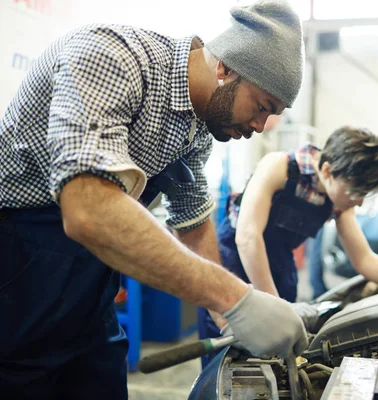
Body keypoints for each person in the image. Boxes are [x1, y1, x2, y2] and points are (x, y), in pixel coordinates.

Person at [0, 1, 308, 398]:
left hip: (89, 296)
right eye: (263, 107)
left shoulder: (197, 126)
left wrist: (228, 316)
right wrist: (237, 298)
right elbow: (88, 211)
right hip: (18, 278)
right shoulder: (111, 56)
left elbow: (193, 223)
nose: (259, 127)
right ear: (225, 68)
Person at [198, 126, 378, 366]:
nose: (357, 202)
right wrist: (274, 309)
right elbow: (248, 237)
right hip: (233, 266)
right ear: (327, 170)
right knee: (226, 358)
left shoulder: (338, 200)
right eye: (355, 192)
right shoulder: (279, 167)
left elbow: (364, 259)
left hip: (279, 269)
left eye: (363, 195)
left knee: (277, 360)